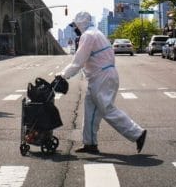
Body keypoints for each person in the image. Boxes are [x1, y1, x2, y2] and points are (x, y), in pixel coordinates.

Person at [57, 11, 147, 154]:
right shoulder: (95, 33)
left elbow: (78, 61)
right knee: (90, 110)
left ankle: (137, 133)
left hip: (101, 77)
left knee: (107, 109)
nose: (74, 28)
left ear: (81, 23)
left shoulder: (88, 36)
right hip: (100, 76)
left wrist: (63, 75)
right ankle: (90, 144)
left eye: (75, 25)